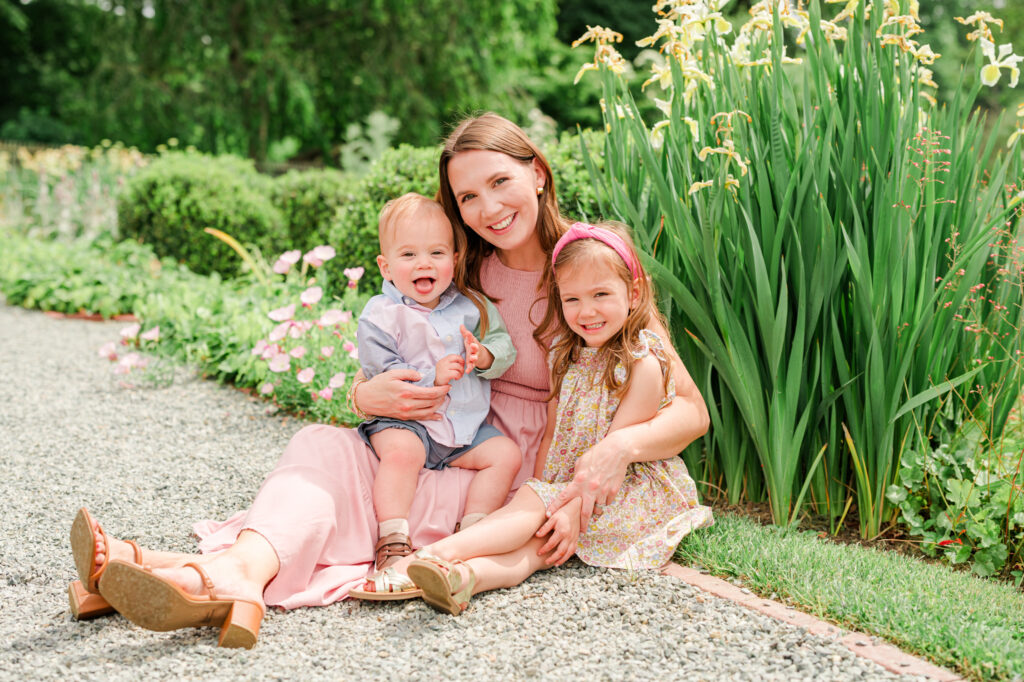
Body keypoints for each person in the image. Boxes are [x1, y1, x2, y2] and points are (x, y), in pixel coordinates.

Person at [69, 112, 710, 649]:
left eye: (500, 182)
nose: (488, 208)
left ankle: (178, 573)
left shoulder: (588, 266)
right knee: (324, 449)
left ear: (537, 173)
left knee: (357, 503)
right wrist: (361, 395)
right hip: (440, 430)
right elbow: (392, 354)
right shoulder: (461, 269)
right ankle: (228, 574)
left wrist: (614, 452)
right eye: (467, 198)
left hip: (518, 466)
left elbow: (688, 409)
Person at [354, 220, 713, 614]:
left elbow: (613, 457)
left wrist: (567, 505)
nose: (586, 311)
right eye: (571, 300)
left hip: (621, 492)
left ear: (633, 293)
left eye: (601, 295)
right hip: (575, 488)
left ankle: (426, 558)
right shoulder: (568, 355)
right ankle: (463, 578)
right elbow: (552, 437)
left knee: (531, 508)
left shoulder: (642, 364)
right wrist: (546, 484)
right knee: (538, 550)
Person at [355, 192, 520, 571]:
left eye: (436, 253)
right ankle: (393, 537)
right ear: (386, 266)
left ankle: (473, 530)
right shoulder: (381, 316)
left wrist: (485, 356)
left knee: (505, 455)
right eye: (409, 255)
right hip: (406, 423)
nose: (423, 264)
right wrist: (432, 377)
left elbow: (502, 344)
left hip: (463, 426)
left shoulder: (472, 306)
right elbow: (382, 370)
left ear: (455, 260)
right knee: (402, 453)